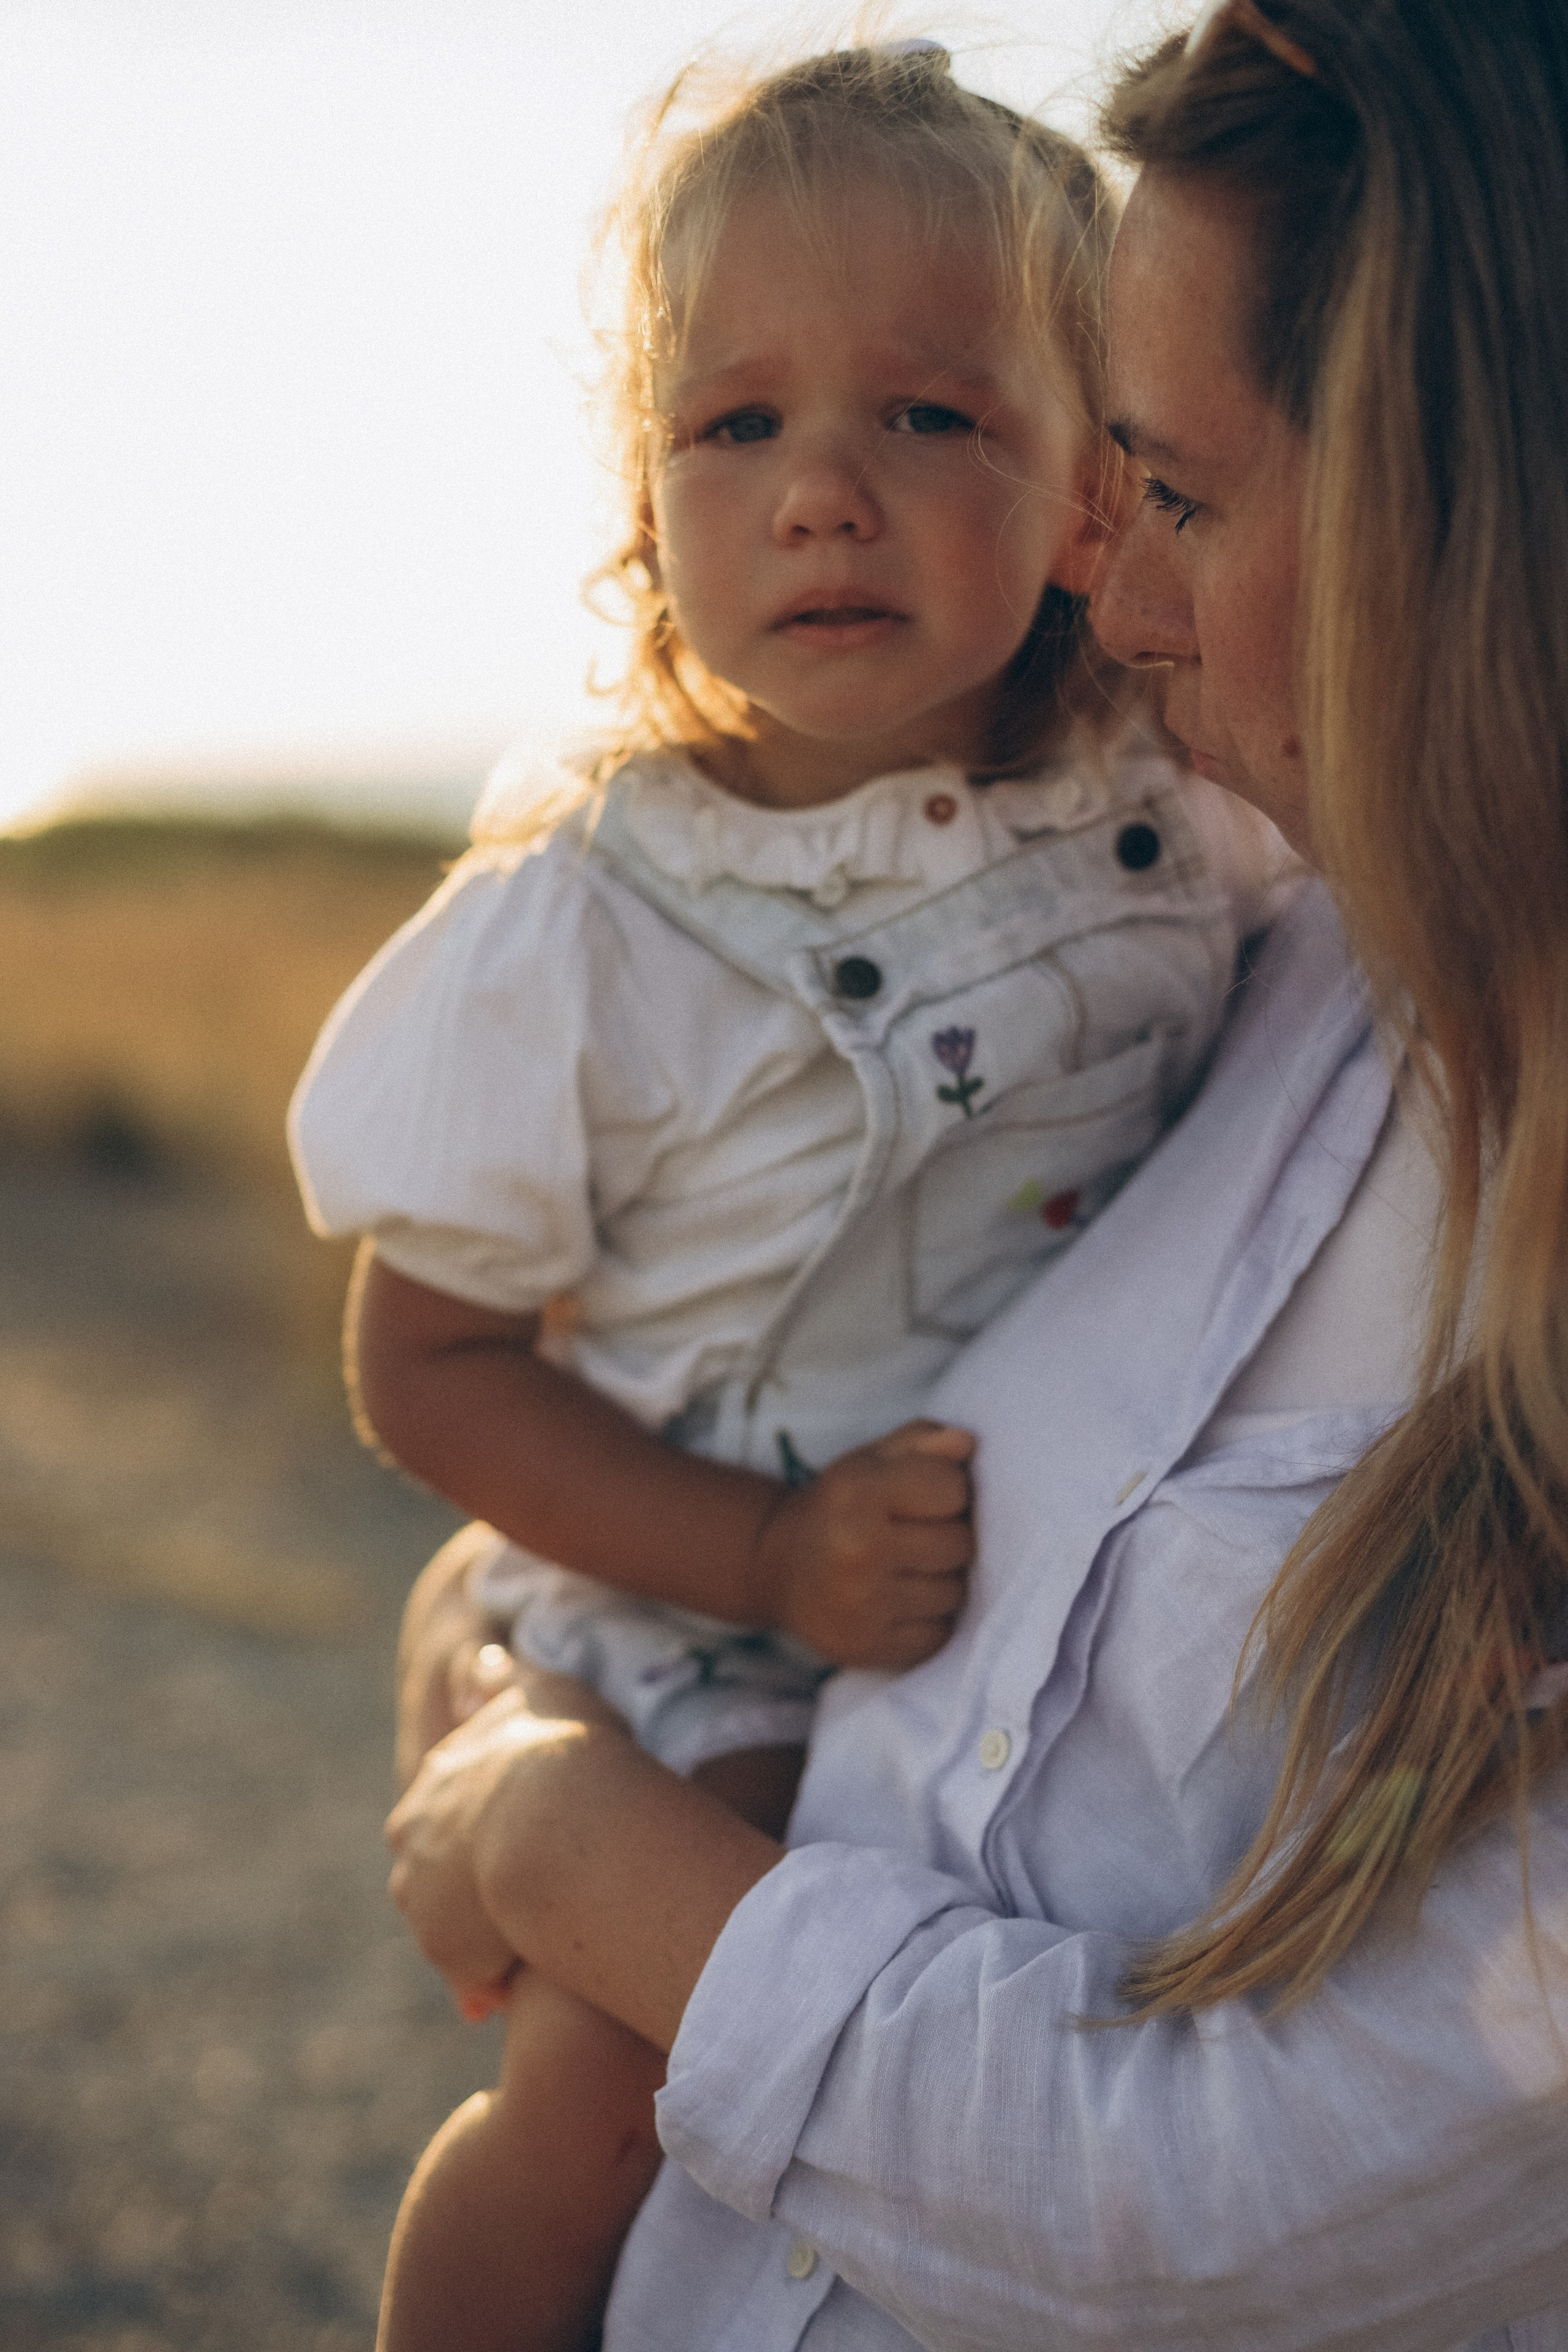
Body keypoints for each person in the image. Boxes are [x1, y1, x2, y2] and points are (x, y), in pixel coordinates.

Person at [382, 0, 1568, 2343]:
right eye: (735, 421)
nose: (1119, 609)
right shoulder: (1266, 962)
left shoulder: (1181, 892)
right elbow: (533, 1391)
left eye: (1176, 498)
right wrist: (514, 1640)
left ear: (1469, 521)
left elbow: (1200, 2209)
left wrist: (555, 1829)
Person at [288, 44, 1270, 2352]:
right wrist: (759, 1558)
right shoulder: (590, 920)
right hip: (703, 1601)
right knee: (615, 2097)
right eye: (737, 424)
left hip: (1018, 1623)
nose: (823, 493)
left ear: (1093, 489)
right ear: (648, 506)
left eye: (930, 413)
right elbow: (422, 1366)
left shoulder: (1180, 796)